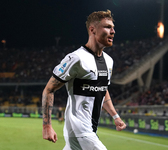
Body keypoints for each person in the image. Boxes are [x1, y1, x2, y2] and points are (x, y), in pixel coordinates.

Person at [42, 10, 126, 150]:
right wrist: (47, 125)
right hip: (78, 130)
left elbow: (102, 90)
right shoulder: (76, 58)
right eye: (107, 27)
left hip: (91, 129)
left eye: (113, 27)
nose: (113, 31)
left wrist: (115, 116)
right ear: (92, 29)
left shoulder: (109, 61)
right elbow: (49, 89)